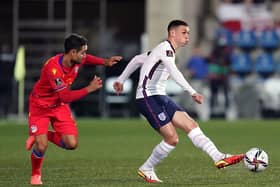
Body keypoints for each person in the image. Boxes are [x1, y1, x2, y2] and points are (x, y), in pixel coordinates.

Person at [113, 20, 244, 183]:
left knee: (191, 125)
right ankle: (146, 168)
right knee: (172, 139)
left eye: (188, 32)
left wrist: (121, 79)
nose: (187, 36)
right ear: (172, 33)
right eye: (184, 32)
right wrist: (192, 92)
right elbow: (174, 72)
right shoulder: (165, 49)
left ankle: (219, 157)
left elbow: (136, 60)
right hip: (147, 97)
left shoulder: (161, 50)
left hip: (160, 96)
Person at [25, 33, 122, 185]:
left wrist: (105, 62)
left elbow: (88, 59)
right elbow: (65, 97)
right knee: (41, 146)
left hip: (58, 106)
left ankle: (41, 135)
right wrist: (89, 88)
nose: (85, 55)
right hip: (40, 107)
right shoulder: (54, 69)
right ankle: (35, 174)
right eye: (82, 52)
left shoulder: (76, 60)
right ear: (73, 52)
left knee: (72, 144)